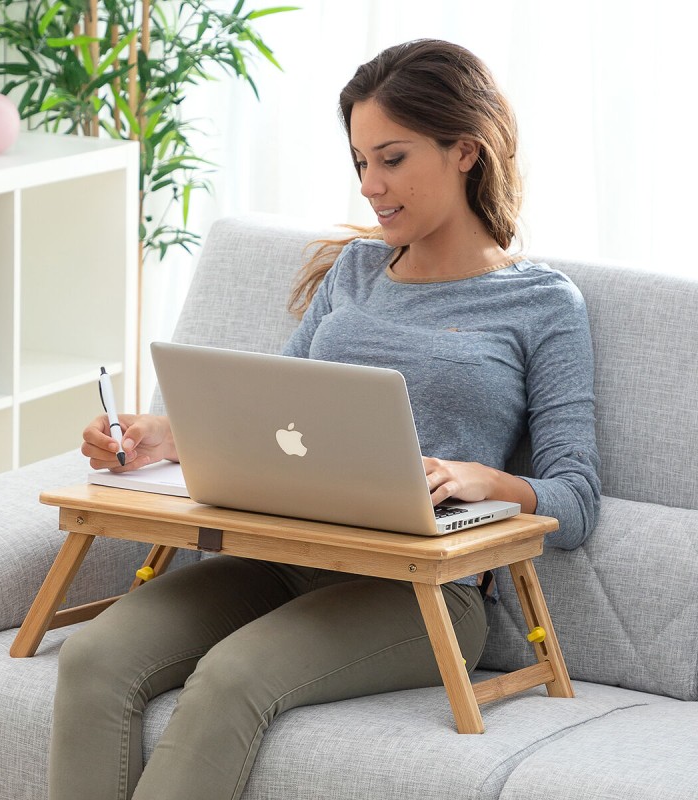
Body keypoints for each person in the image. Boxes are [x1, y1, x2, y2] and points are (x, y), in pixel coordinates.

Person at [48, 39, 600, 800]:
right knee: (92, 658)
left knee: (231, 679)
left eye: (393, 159)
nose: (371, 186)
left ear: (465, 151)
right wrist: (157, 436)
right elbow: (278, 415)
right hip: (280, 554)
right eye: (359, 162)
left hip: (419, 593)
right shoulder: (355, 271)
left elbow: (578, 498)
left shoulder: (543, 304)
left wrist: (487, 479)